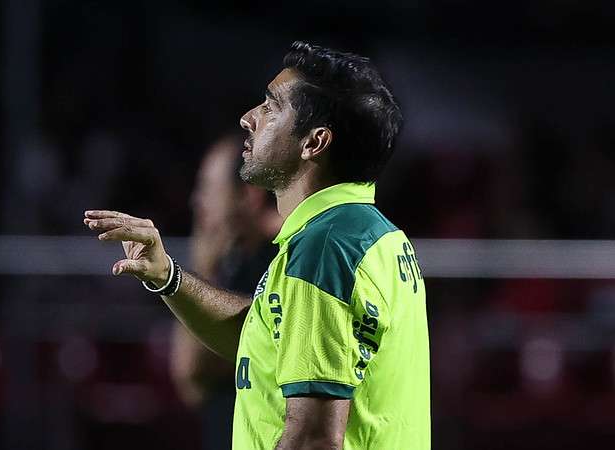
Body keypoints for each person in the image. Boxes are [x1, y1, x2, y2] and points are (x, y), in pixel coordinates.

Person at [84, 41, 430, 449]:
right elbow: (262, 337)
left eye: (271, 107)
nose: (249, 118)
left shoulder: (325, 249)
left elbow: (313, 439)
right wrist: (168, 277)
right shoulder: (369, 234)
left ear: (314, 142)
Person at [170, 135, 280, 449]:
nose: (197, 200)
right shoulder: (236, 261)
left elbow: (189, 370)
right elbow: (192, 387)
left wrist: (200, 267)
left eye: (208, 186)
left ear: (250, 194)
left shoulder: (283, 261)